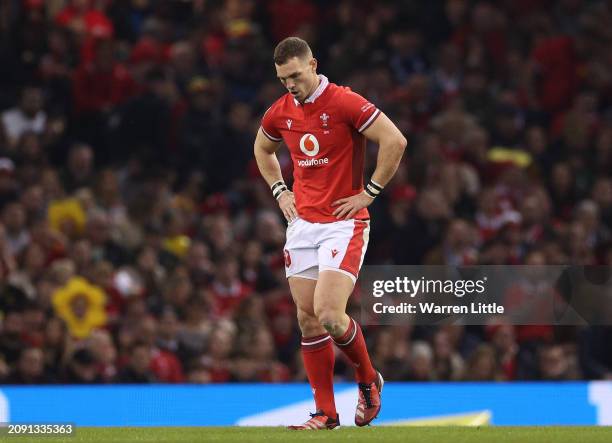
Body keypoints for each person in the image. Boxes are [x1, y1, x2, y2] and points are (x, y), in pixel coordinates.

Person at [253, 37, 406, 430]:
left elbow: (394, 140)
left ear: (313, 65)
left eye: (296, 75)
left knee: (329, 314)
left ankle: (368, 380)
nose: (290, 84)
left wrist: (368, 192)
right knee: (308, 321)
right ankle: (326, 413)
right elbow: (262, 150)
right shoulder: (280, 112)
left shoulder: (344, 102)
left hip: (343, 223)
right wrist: (279, 190)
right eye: (283, 78)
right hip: (302, 224)